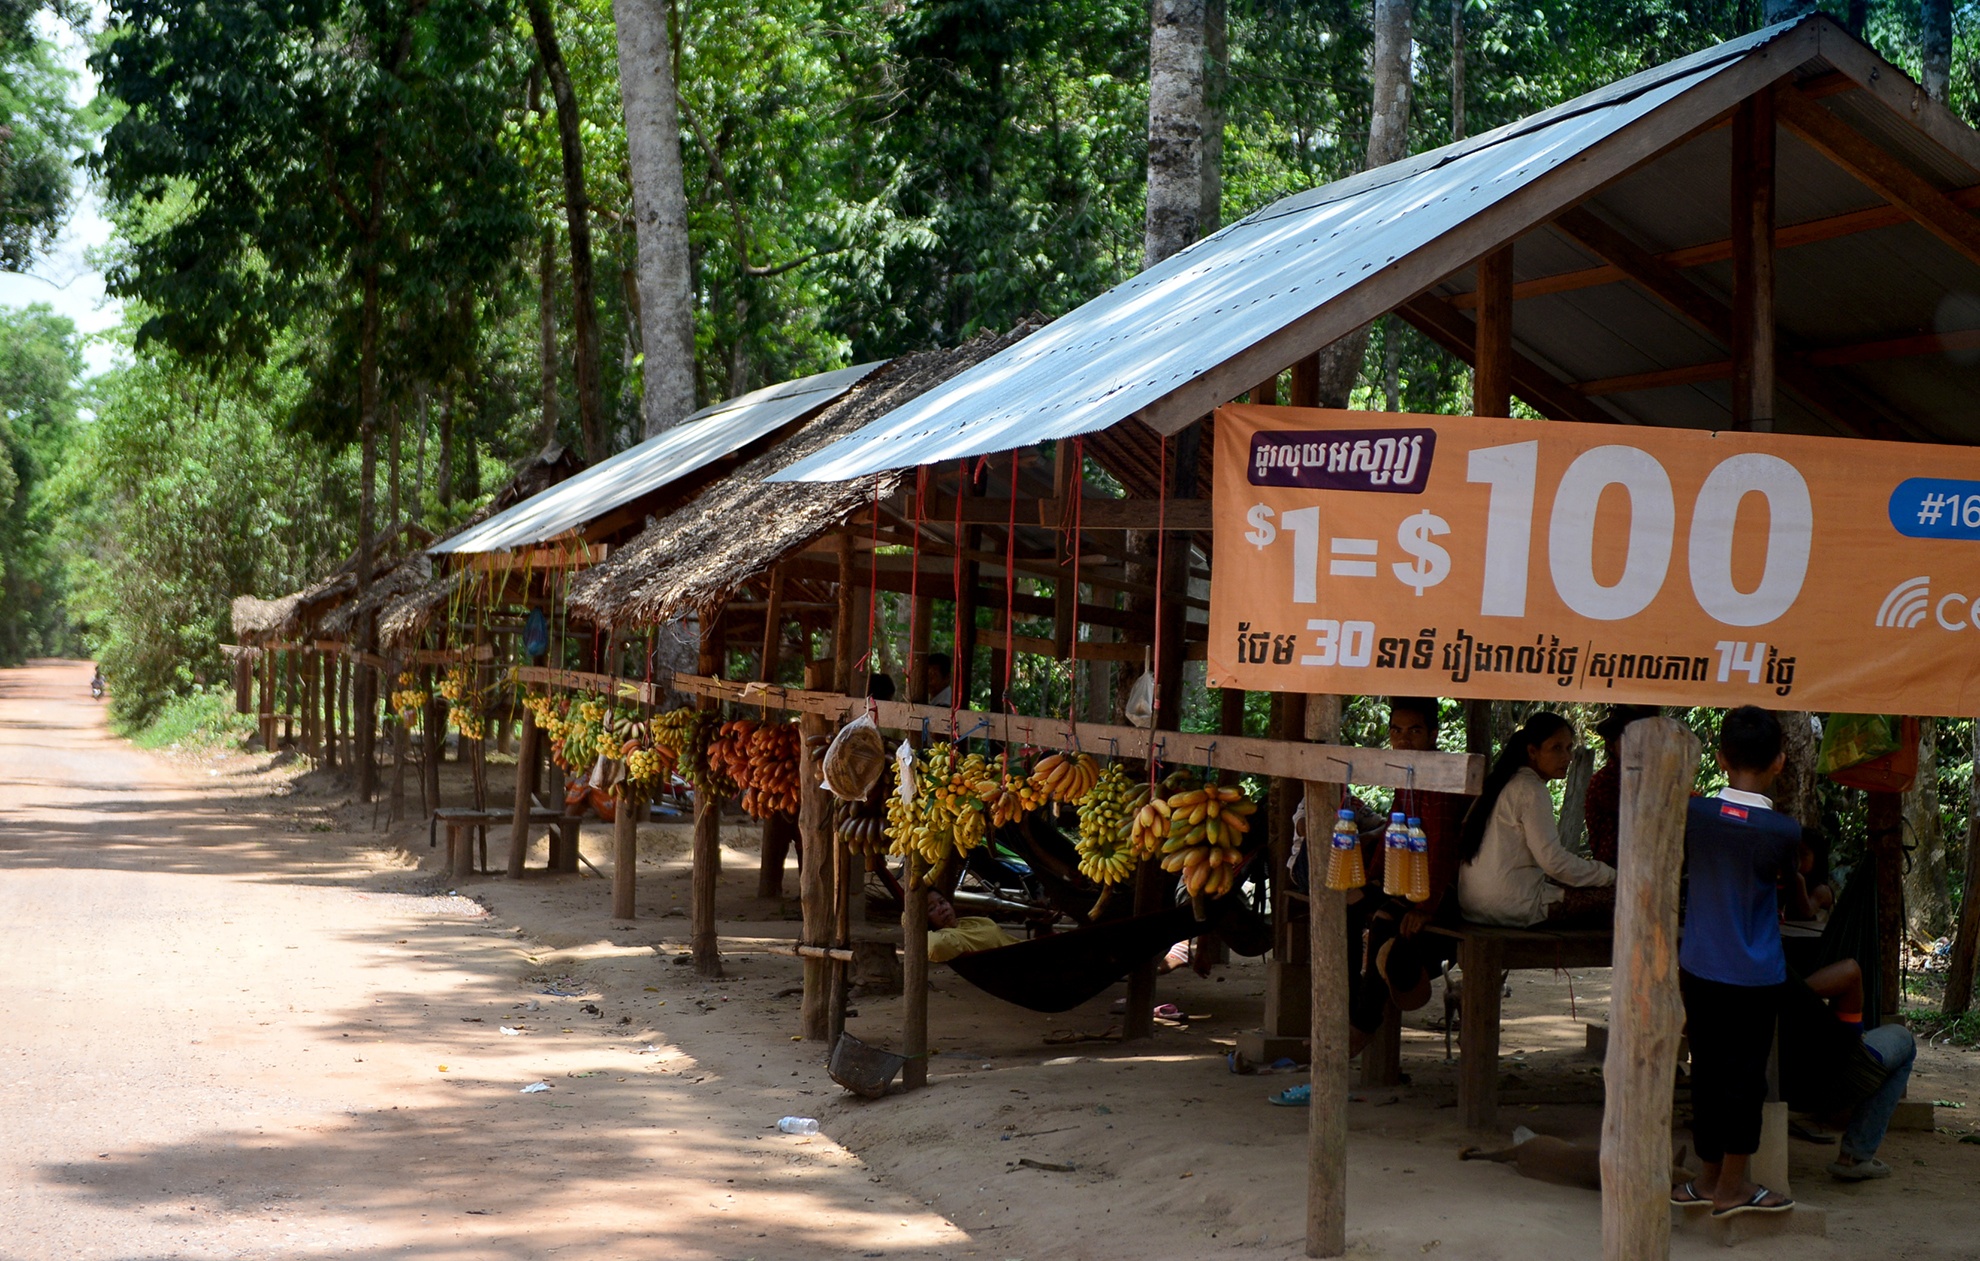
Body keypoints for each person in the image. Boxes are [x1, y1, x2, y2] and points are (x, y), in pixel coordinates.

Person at [1669, 706, 1807, 1218]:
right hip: (1754, 973)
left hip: (1701, 963)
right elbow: (1790, 892)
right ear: (1779, 761)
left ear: (1722, 757)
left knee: (1705, 1069)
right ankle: (1732, 1186)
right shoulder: (1784, 831)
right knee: (1746, 1078)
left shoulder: (1695, 814)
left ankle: (1706, 1180)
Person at [1456, 713, 1615, 928]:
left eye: (1568, 748)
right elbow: (1554, 862)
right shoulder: (1530, 789)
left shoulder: (1502, 782)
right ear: (1532, 751)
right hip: (1510, 906)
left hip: (1473, 905)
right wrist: (1609, 875)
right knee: (1617, 898)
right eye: (1556, 748)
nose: (1566, 757)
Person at [1778, 957, 1915, 1182]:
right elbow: (1850, 971)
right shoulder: (1778, 979)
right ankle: (1855, 1156)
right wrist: (1796, 995)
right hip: (1839, 1076)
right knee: (1904, 1040)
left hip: (1778, 1084)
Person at [1583, 705, 1658, 867]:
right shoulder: (1605, 781)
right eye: (1630, 740)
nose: (1638, 746)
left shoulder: (1651, 776)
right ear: (1611, 745)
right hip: (1615, 871)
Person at [924, 889, 1018, 963]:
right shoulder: (948, 938)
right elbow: (934, 947)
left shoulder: (972, 921)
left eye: (942, 902)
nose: (943, 909)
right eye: (932, 909)